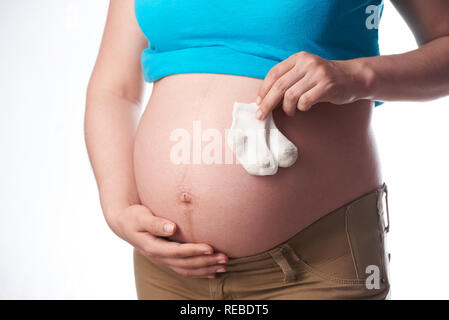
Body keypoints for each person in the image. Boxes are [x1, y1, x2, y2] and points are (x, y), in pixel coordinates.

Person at [85, 0, 449, 299]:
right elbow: (115, 88)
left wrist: (356, 76)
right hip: (169, 271)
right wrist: (117, 204)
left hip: (313, 265)